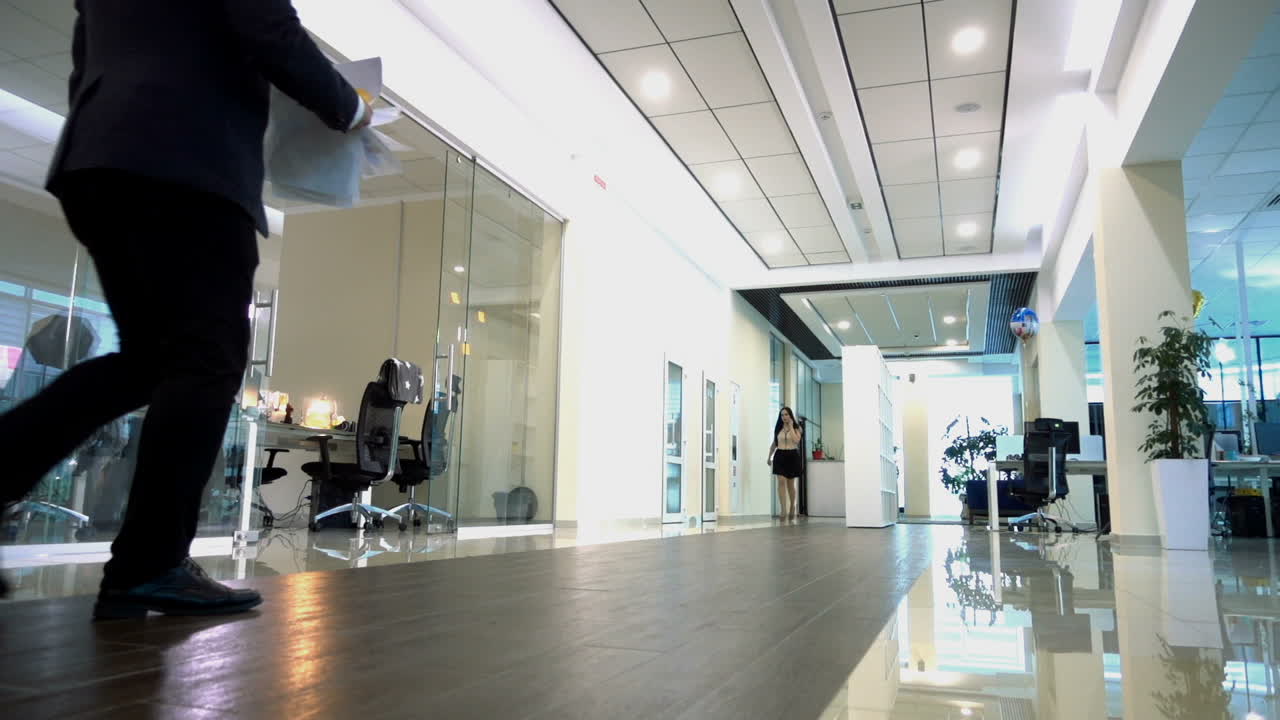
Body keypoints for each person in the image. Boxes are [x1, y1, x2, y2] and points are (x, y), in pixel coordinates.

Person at [0, 0, 372, 616]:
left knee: (147, 362)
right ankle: (149, 564)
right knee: (207, 361)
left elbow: (87, 62)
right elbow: (264, 24)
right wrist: (351, 106)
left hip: (100, 160)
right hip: (185, 164)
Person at [767, 407, 804, 521]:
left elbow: (796, 440)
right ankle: (783, 509)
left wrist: (792, 426)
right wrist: (769, 456)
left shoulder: (798, 428)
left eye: (786, 414)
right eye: (782, 415)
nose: (784, 417)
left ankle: (792, 506)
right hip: (780, 455)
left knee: (790, 485)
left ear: (790, 415)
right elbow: (774, 443)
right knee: (781, 482)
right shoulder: (778, 428)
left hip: (792, 456)